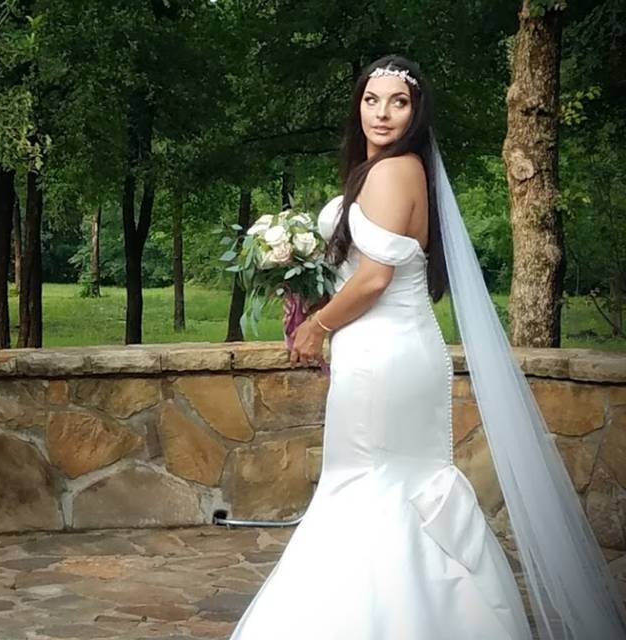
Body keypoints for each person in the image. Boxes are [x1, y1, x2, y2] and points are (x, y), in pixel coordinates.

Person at [230, 55, 626, 639]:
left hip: (386, 356)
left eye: (399, 101)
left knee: (371, 486)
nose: (382, 113)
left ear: (417, 112)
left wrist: (318, 328)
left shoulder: (395, 171)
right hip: (381, 352)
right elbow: (355, 271)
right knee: (382, 483)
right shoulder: (376, 173)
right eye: (371, 99)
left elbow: (375, 279)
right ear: (357, 105)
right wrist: (306, 294)